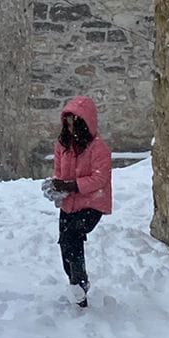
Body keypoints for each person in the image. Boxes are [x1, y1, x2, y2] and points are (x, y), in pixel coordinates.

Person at [47, 96, 113, 309]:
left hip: (92, 204)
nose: (70, 126)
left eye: (75, 121)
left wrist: (73, 185)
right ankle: (75, 283)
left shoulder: (98, 148)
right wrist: (56, 188)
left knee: (74, 234)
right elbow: (59, 173)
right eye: (67, 121)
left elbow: (100, 178)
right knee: (65, 244)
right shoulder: (62, 146)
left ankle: (79, 282)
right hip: (69, 203)